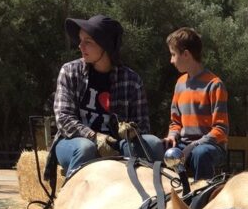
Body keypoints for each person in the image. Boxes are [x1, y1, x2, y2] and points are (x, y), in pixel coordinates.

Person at [53, 14, 164, 175]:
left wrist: (131, 130)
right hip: (73, 141)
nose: (80, 46)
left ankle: (152, 190)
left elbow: (143, 126)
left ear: (105, 46)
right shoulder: (70, 71)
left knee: (154, 144)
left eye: (88, 41)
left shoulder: (131, 80)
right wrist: (94, 137)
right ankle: (71, 190)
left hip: (117, 144)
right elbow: (63, 118)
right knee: (86, 149)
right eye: (80, 40)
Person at [165, 27, 229, 180]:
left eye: (173, 55)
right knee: (155, 147)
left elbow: (221, 129)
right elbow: (175, 122)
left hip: (211, 147)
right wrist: (171, 136)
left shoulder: (215, 85)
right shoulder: (180, 83)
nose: (171, 60)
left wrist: (194, 145)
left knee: (200, 154)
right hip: (183, 144)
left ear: (186, 54)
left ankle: (202, 194)